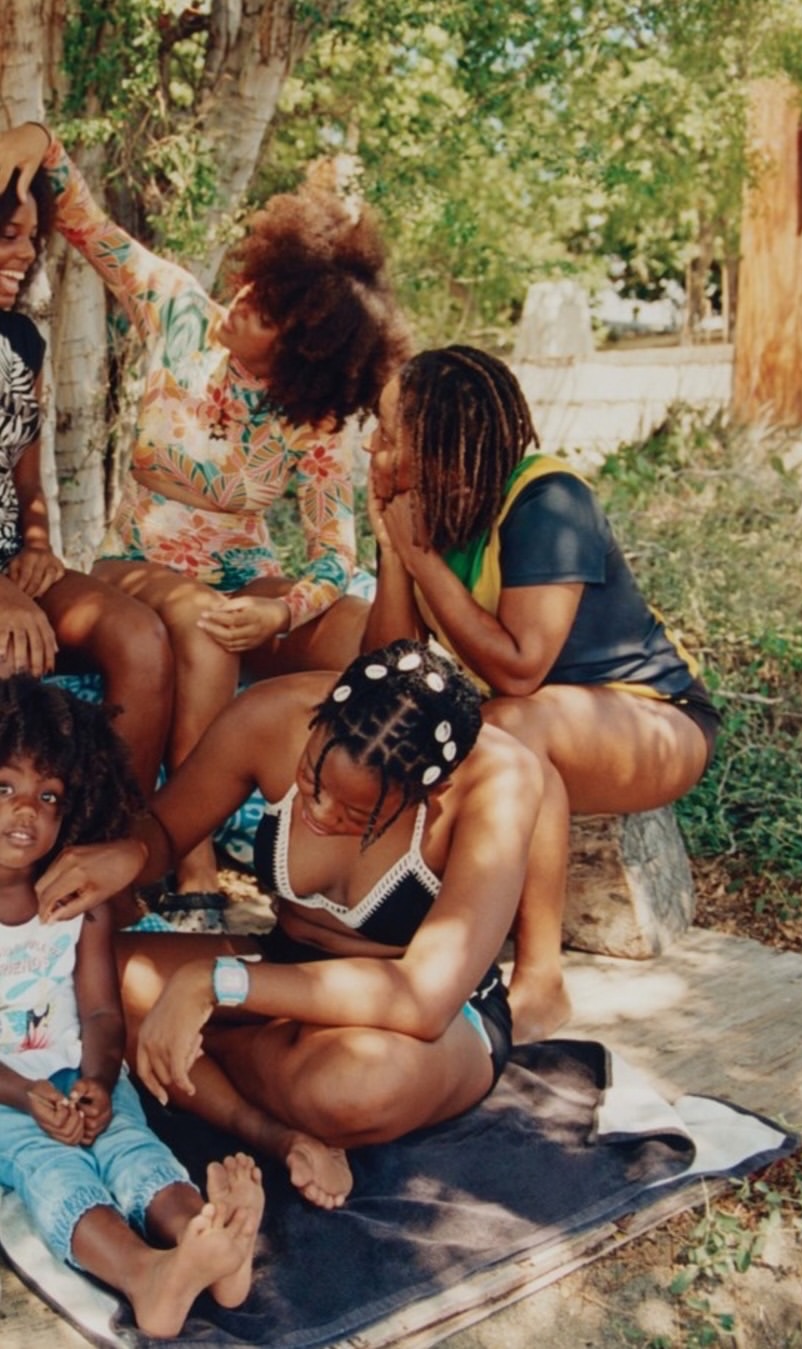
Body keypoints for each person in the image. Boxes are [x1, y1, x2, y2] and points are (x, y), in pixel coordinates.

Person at [0, 120, 411, 901]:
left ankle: (340, 841)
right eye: (255, 285)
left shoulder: (314, 420)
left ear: (298, 348)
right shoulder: (181, 313)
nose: (243, 299)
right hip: (138, 564)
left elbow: (333, 555)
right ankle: (187, 855)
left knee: (363, 632)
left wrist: (283, 612)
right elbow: (88, 222)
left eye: (265, 311)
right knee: (202, 621)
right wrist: (34, 146)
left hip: (244, 580)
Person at [35, 639, 543, 1210]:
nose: (321, 814)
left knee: (353, 1089)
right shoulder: (272, 714)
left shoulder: (500, 784)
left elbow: (422, 999)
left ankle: (202, 1052)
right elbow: (165, 832)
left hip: (426, 1017)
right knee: (85, 976)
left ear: (431, 789)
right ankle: (279, 1134)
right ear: (321, 719)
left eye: (356, 815)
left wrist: (212, 983)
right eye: (311, 781)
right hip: (284, 967)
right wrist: (129, 854)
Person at [360, 346, 720, 1043]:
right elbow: (390, 668)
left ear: (438, 443)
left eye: (388, 431)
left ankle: (542, 982)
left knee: (510, 728)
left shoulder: (549, 500)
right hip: (539, 726)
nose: (372, 447)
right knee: (494, 733)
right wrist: (397, 555)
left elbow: (524, 667)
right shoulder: (420, 512)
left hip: (655, 720)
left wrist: (425, 559)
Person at [0, 675, 264, 1338]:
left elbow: (99, 1011)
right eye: (3, 787)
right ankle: (142, 1273)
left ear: (72, 809)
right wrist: (28, 1094)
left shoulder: (74, 904)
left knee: (132, 1145)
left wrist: (97, 1077)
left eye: (48, 795)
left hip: (78, 1075)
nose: (24, 811)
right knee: (51, 1166)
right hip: (5, 1097)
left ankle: (208, 1241)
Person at [0, 162, 172, 800]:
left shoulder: (22, 342)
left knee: (141, 638)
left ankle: (114, 849)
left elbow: (27, 479)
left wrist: (37, 546)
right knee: (13, 658)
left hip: (14, 563)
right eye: (8, 236)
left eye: (32, 239)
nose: (24, 255)